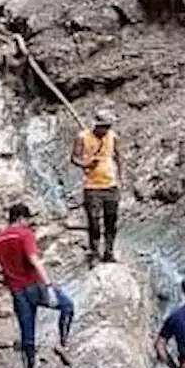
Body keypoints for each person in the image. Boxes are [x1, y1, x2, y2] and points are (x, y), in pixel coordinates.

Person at [0, 203, 75, 368]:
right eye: (27, 220)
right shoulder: (25, 235)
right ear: (21, 218)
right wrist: (49, 286)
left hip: (17, 292)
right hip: (36, 287)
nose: (28, 224)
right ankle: (62, 344)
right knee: (67, 306)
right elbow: (34, 260)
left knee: (28, 335)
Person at [70, 109, 124, 265]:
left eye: (108, 126)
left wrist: (121, 178)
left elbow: (119, 156)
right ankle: (94, 252)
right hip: (92, 187)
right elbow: (74, 157)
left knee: (111, 220)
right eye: (104, 126)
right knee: (93, 221)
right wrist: (86, 164)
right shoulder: (82, 137)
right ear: (97, 125)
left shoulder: (113, 137)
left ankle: (109, 251)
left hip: (110, 185)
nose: (106, 129)